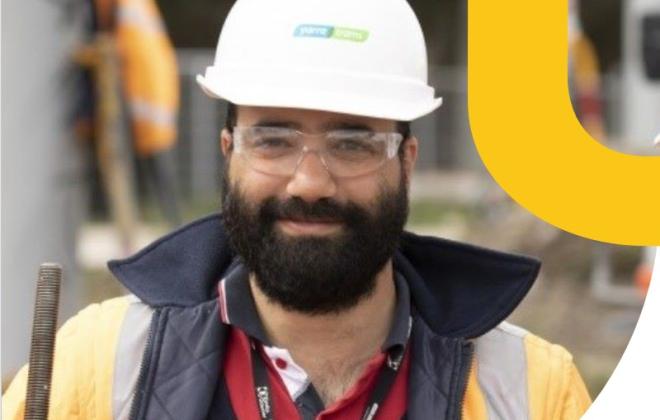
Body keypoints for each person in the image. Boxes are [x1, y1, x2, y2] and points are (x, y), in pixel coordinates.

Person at [3, 0, 592, 418]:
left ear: (406, 162)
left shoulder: (532, 391)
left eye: (353, 143)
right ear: (229, 153)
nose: (310, 182)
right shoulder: (94, 369)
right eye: (274, 139)